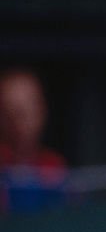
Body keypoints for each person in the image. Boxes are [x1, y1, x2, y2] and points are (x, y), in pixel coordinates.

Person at [0, 69, 69, 215]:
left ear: (41, 111)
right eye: (8, 111)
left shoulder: (54, 166)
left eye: (25, 111)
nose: (17, 122)